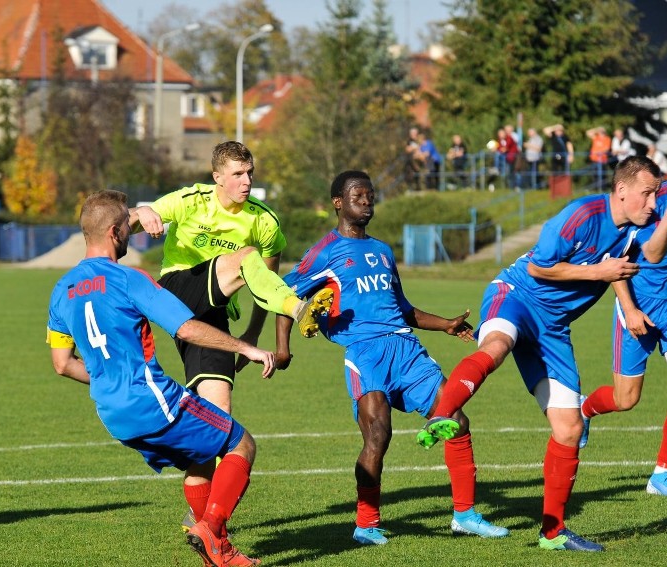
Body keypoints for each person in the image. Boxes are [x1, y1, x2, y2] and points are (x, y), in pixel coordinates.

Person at [417, 156, 667, 552]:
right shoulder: (581, 215)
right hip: (516, 296)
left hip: (553, 329)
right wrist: (596, 274)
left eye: (657, 195)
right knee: (497, 347)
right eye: (648, 194)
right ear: (622, 191)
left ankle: (552, 533)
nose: (653, 202)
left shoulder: (639, 225)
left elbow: (643, 260)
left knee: (569, 429)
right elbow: (539, 268)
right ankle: (441, 414)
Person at [275, 170, 509, 546]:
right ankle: (366, 524)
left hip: (406, 350)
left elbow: (402, 308)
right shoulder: (325, 251)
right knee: (379, 435)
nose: (366, 201)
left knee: (457, 420)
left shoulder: (383, 251)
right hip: (365, 355)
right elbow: (283, 296)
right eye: (357, 195)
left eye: (370, 195)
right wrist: (284, 348)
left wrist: (445, 324)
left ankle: (465, 515)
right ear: (338, 202)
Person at [47, 190, 274, 567]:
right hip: (153, 402)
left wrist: (112, 380)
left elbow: (62, 364)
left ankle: (214, 551)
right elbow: (185, 328)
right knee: (241, 444)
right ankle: (213, 531)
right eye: (127, 229)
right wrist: (245, 347)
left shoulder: (61, 291)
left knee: (200, 460)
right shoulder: (128, 278)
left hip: (113, 414)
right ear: (116, 232)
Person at [129, 141, 334, 529]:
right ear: (217, 177)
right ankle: (300, 308)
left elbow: (265, 282)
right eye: (238, 174)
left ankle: (204, 520)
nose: (247, 181)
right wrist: (141, 212)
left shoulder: (264, 222)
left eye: (251, 173)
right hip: (176, 291)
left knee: (215, 426)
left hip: (211, 321)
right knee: (244, 259)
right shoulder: (192, 200)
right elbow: (132, 218)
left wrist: (253, 336)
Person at [579, 133, 667, 497]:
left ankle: (660, 475)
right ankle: (584, 411)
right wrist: (629, 309)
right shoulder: (648, 201)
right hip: (638, 302)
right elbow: (617, 261)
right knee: (626, 398)